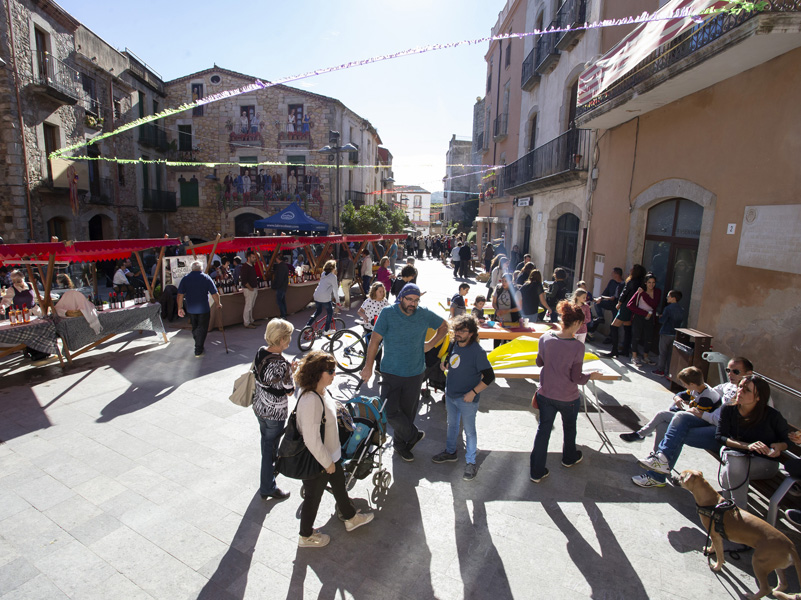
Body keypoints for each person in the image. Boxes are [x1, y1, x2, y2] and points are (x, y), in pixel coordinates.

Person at [632, 357, 753, 488]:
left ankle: (658, 469)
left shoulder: (752, 395)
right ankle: (659, 465)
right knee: (666, 422)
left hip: (724, 435)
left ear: (749, 374)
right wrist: (680, 396)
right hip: (710, 423)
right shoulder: (728, 386)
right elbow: (708, 391)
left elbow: (729, 422)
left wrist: (702, 414)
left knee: (677, 428)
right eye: (728, 370)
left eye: (735, 371)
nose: (730, 374)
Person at [360, 283, 448, 462]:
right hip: (391, 372)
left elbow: (445, 326)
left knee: (408, 413)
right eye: (409, 299)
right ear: (401, 297)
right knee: (389, 411)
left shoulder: (423, 313)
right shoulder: (388, 313)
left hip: (415, 373)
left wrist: (430, 344)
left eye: (416, 300)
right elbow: (375, 341)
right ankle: (413, 434)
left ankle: (401, 445)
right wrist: (368, 366)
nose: (413, 304)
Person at [295, 351, 374, 548]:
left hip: (332, 455)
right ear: (317, 373)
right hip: (320, 460)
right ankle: (305, 536)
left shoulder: (322, 391)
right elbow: (311, 439)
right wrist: (328, 463)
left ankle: (350, 517)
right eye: (330, 371)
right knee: (313, 498)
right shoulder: (310, 400)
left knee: (339, 485)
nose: (334, 375)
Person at [530, 301, 604, 482]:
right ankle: (569, 457)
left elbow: (539, 363)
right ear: (577, 323)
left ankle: (536, 471)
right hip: (568, 397)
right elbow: (577, 377)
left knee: (543, 431)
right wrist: (591, 375)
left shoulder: (546, 337)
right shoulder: (578, 347)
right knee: (569, 428)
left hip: (546, 394)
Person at [432, 315, 495, 481]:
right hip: (451, 394)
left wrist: (473, 393)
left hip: (467, 399)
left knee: (469, 431)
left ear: (472, 333)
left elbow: (489, 377)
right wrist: (444, 364)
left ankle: (471, 462)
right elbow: (451, 359)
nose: (458, 333)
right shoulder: (454, 343)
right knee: (452, 425)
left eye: (463, 331)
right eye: (457, 329)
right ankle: (450, 452)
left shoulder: (477, 352)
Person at [716, 375, 789, 508]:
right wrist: (748, 446)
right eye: (740, 387)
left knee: (731, 468)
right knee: (734, 463)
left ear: (758, 397)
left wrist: (778, 447)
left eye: (747, 390)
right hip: (735, 458)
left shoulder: (772, 416)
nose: (740, 391)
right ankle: (738, 510)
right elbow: (720, 437)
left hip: (765, 464)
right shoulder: (728, 408)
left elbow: (786, 441)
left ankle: (730, 509)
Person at [253, 319, 296, 501]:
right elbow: (289, 391)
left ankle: (267, 476)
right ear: (281, 340)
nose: (289, 341)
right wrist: (292, 370)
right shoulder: (282, 363)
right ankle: (267, 487)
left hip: (259, 406)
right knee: (270, 450)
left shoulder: (260, 352)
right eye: (287, 339)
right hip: (274, 413)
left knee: (266, 443)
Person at [620, 366, 720, 442]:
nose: (684, 386)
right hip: (693, 415)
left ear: (692, 384)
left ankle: (640, 435)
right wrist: (677, 398)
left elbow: (700, 415)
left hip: (702, 422)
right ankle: (657, 454)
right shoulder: (697, 388)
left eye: (685, 384)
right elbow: (681, 394)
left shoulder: (707, 396)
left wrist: (686, 410)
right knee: (662, 424)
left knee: (661, 415)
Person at [177, 261, 221, 357]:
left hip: (191, 308)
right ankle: (198, 348)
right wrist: (218, 303)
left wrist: (180, 307)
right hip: (203, 308)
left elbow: (180, 295)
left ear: (192, 268)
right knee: (202, 328)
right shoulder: (206, 278)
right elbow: (214, 293)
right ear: (201, 268)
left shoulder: (186, 278)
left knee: (195, 327)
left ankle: (198, 344)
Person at [604, 264, 646, 358]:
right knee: (627, 328)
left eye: (632, 269)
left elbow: (624, 293)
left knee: (614, 326)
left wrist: (619, 303)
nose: (630, 270)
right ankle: (625, 350)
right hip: (633, 307)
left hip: (626, 306)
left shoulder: (631, 281)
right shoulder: (642, 283)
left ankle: (614, 350)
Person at [627, 273, 661, 367]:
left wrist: (644, 294)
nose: (651, 285)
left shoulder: (657, 292)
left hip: (650, 318)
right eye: (649, 282)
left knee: (649, 337)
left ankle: (645, 357)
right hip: (639, 316)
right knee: (636, 336)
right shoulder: (639, 291)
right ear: (645, 283)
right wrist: (644, 313)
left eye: (653, 282)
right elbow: (630, 305)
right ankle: (634, 356)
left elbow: (654, 304)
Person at [653, 290, 684, 376]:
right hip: (675, 333)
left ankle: (660, 370)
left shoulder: (668, 308)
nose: (667, 298)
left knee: (663, 353)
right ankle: (668, 371)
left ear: (673, 298)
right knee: (670, 353)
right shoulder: (681, 309)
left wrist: (660, 317)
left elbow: (662, 320)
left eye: (668, 296)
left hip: (666, 332)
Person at [305, 260, 338, 334]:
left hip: (317, 295)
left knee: (318, 311)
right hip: (325, 298)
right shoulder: (333, 277)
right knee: (330, 312)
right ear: (333, 268)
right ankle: (326, 330)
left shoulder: (323, 274)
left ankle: (307, 325)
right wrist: (338, 301)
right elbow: (335, 290)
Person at [240, 251, 259, 328]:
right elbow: (244, 280)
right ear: (248, 258)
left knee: (251, 305)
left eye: (255, 257)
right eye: (253, 257)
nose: (254, 259)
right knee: (248, 306)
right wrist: (250, 287)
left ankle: (251, 320)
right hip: (249, 289)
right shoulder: (245, 266)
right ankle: (246, 322)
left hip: (253, 288)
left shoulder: (252, 266)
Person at [271, 253, 290, 319]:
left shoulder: (280, 266)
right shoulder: (284, 265)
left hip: (281, 286)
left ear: (277, 259)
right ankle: (284, 313)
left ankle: (283, 315)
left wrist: (275, 286)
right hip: (283, 286)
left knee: (279, 301)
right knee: (282, 301)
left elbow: (280, 278)